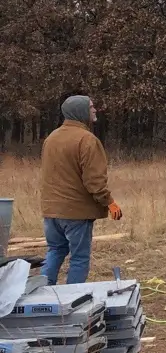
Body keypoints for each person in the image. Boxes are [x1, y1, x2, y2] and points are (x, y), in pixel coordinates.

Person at [40, 95, 122, 284]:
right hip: (75, 213)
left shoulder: (51, 138)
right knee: (79, 258)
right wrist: (110, 203)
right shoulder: (87, 140)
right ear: (80, 112)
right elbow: (95, 182)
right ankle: (72, 301)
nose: (94, 110)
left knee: (55, 251)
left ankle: (40, 297)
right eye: (91, 107)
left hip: (51, 211)